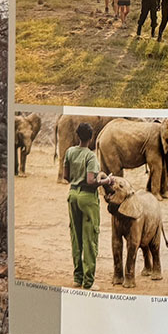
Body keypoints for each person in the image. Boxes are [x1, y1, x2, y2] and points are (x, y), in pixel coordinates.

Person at [64, 122, 109, 289]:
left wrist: (76, 180)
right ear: (91, 138)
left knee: (76, 237)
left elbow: (65, 176)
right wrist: (105, 181)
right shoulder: (90, 156)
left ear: (77, 136)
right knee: (90, 239)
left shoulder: (69, 152)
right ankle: (88, 282)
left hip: (72, 194)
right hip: (87, 198)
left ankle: (77, 278)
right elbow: (91, 181)